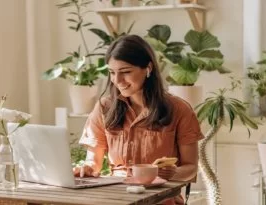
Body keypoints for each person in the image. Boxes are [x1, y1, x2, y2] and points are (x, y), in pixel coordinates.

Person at [73, 35, 204, 204]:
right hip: (116, 199)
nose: (117, 81)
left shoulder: (179, 110)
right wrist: (87, 168)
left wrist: (167, 174)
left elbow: (191, 168)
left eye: (125, 72)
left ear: (148, 68)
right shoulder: (104, 108)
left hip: (161, 200)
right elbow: (94, 162)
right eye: (112, 73)